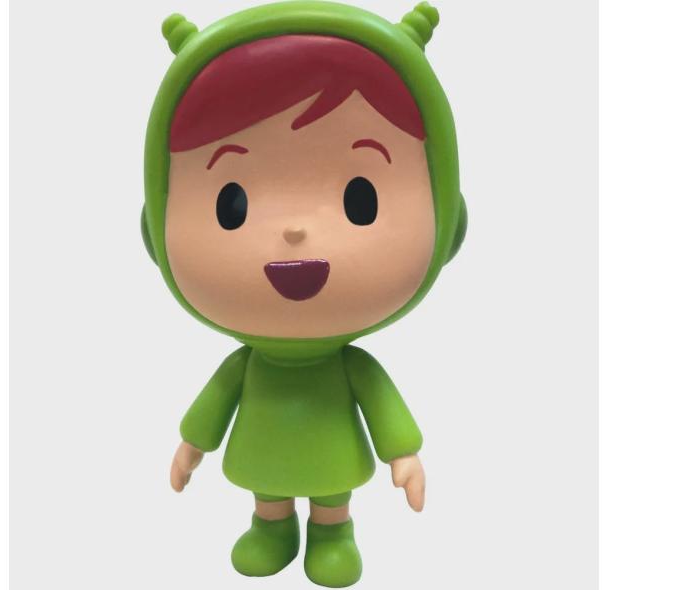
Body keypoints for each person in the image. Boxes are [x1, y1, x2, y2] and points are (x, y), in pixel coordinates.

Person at [141, 2, 467, 587]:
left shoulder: (352, 366)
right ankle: (271, 528)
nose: (294, 231)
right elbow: (215, 401)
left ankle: (333, 533)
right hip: (264, 455)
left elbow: (382, 403)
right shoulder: (246, 365)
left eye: (360, 200)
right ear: (154, 232)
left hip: (330, 461)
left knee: (331, 498)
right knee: (268, 495)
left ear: (450, 226)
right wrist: (191, 445)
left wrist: (403, 453)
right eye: (232, 205)